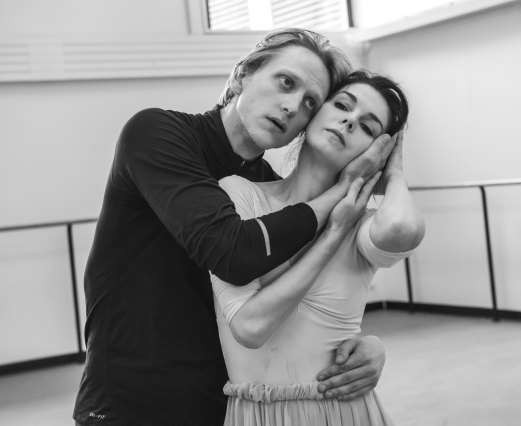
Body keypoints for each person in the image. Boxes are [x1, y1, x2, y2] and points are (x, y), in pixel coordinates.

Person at [73, 29, 397, 426]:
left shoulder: (270, 193)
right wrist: (343, 191)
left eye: (310, 102)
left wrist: (368, 347)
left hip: (220, 407)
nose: (293, 105)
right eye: (286, 82)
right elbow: (233, 253)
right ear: (244, 74)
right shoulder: (157, 135)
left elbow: (298, 303)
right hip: (127, 405)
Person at [211, 70, 425, 425]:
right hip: (257, 412)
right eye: (342, 105)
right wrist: (334, 226)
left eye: (369, 127)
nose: (349, 121)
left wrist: (395, 174)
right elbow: (249, 327)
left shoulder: (361, 221)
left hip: (343, 411)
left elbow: (402, 226)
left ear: (378, 150)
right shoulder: (239, 193)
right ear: (316, 112)